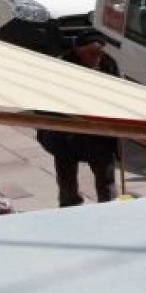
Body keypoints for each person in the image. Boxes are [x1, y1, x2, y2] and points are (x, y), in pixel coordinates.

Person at [36, 33, 122, 207]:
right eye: (91, 53)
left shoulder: (108, 64)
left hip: (99, 134)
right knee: (67, 181)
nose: (96, 58)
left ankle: (110, 211)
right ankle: (70, 209)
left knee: (106, 180)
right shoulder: (60, 67)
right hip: (66, 135)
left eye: (100, 53)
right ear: (78, 51)